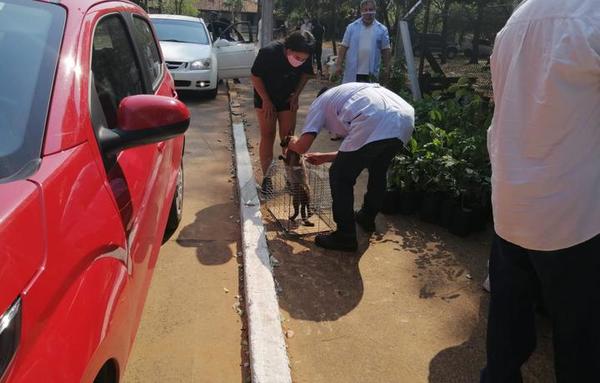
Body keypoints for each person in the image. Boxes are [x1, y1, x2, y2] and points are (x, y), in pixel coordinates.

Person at [481, 1, 600, 382]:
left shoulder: (519, 17)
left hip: (512, 199)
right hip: (571, 213)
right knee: (580, 333)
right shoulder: (592, 17)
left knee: (508, 319)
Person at [287, 83, 415, 251]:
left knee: (340, 176)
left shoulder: (320, 103)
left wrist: (290, 142)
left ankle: (345, 236)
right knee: (378, 169)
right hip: (404, 119)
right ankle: (367, 218)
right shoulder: (350, 94)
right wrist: (325, 157)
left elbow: (302, 146)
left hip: (374, 118)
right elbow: (362, 149)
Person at [251, 31, 315, 194]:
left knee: (288, 138)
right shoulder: (269, 52)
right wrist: (265, 99)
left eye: (304, 59)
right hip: (265, 96)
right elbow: (255, 76)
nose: (300, 62)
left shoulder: (305, 54)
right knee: (268, 134)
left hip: (287, 98)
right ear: (288, 49)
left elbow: (307, 74)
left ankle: (291, 178)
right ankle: (267, 178)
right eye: (297, 57)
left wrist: (296, 95)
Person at [335, 0, 391, 84]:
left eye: (371, 9)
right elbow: (343, 47)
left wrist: (387, 68)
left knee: (370, 96)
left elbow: (386, 50)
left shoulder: (382, 30)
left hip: (371, 73)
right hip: (353, 72)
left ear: (375, 10)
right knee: (352, 95)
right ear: (361, 11)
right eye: (365, 10)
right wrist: (338, 64)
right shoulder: (351, 28)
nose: (368, 12)